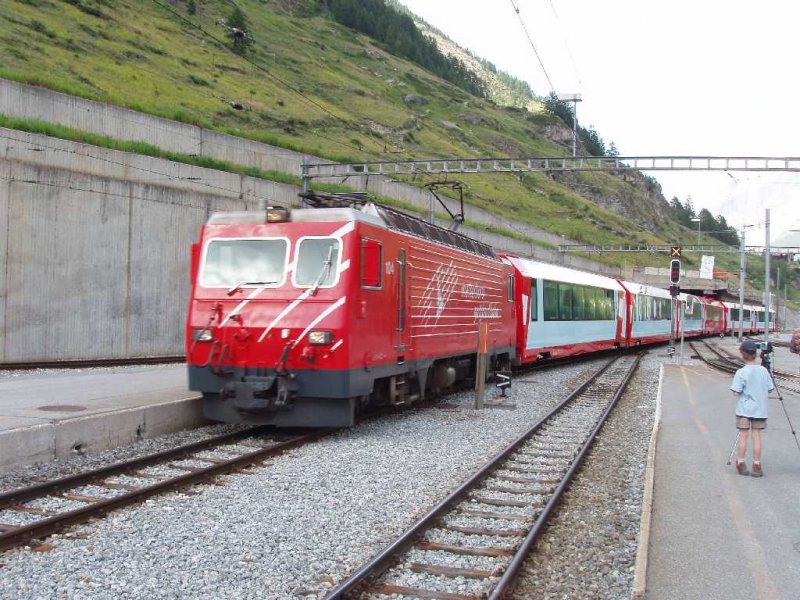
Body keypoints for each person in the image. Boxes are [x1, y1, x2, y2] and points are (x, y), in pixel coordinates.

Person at [730, 340, 774, 477]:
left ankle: (741, 463)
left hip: (744, 410)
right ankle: (757, 465)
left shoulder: (741, 372)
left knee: (743, 435)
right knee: (757, 436)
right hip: (760, 410)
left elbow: (736, 391)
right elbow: (770, 389)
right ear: (756, 353)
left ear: (742, 354)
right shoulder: (764, 371)